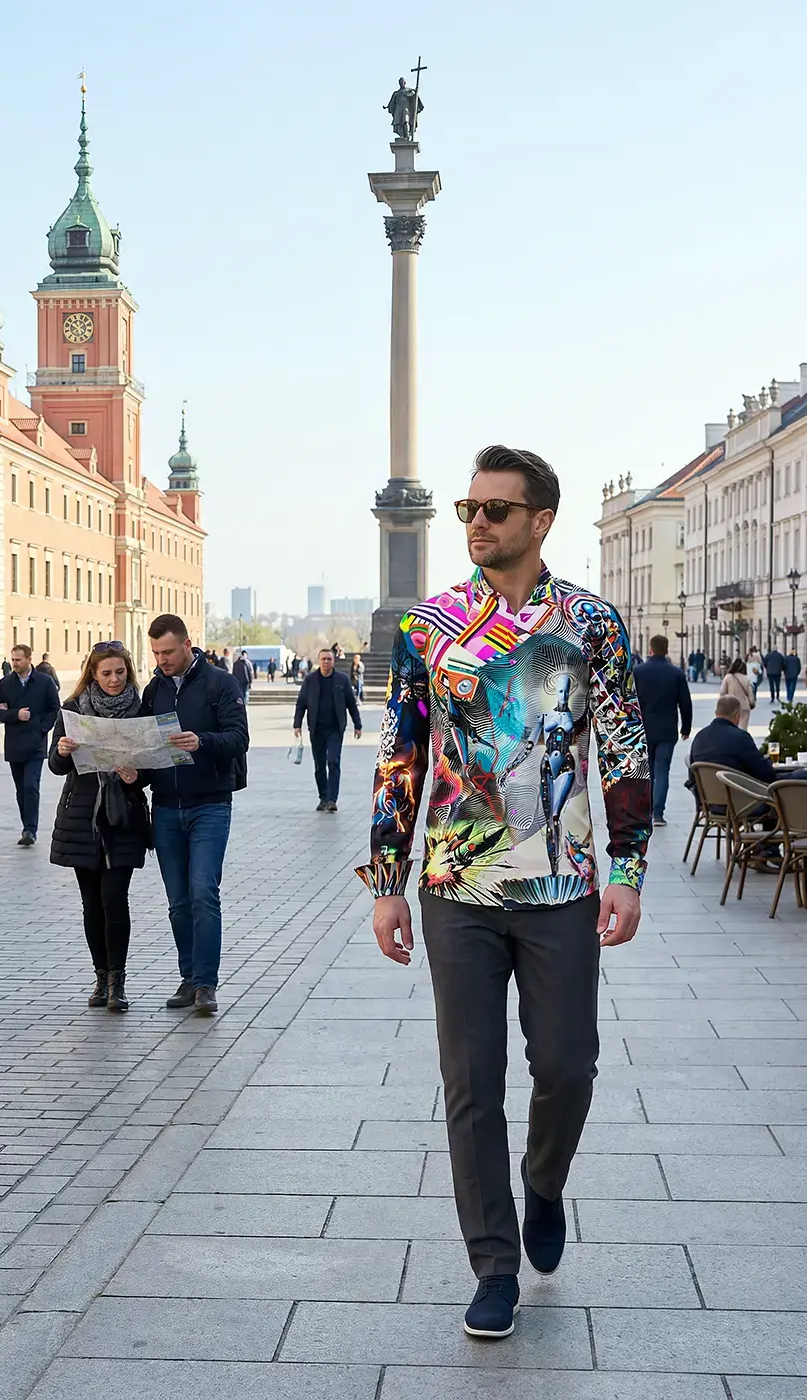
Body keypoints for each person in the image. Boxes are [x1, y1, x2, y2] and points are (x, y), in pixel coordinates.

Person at [360, 444, 650, 1341]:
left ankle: (546, 1182)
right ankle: (493, 1264)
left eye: (495, 509)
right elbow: (402, 755)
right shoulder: (431, 629)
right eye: (468, 509)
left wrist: (628, 870)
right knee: (470, 1082)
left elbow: (627, 752)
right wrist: (387, 881)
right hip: (457, 886)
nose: (477, 524)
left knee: (567, 1068)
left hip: (561, 887)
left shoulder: (591, 624)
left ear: (540, 521)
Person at [141, 614, 249, 1017]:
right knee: (178, 901)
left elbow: (240, 739)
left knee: (203, 890)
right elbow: (145, 743)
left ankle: (206, 984)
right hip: (166, 805)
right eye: (155, 653)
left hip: (210, 804)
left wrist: (201, 742)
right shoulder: (154, 690)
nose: (161, 659)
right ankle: (188, 977)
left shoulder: (221, 683)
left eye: (167, 652)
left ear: (188, 645)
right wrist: (135, 769)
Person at [49, 642, 152, 1013]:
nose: (114, 679)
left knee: (114, 900)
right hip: (82, 817)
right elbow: (56, 766)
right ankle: (99, 976)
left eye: (120, 672)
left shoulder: (141, 710)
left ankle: (117, 981)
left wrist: (136, 775)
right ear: (93, 673)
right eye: (106, 673)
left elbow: (152, 767)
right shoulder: (74, 709)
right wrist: (61, 750)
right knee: (91, 904)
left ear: (128, 672)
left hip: (122, 817)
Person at [0, 644, 60, 846]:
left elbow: (54, 709)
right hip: (14, 743)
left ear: (29, 659)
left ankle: (31, 829)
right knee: (21, 789)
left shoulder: (45, 682)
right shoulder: (5, 683)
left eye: (18, 660)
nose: (14, 663)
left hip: (36, 743)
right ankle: (26, 826)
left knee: (31, 786)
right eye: (12, 660)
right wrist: (14, 714)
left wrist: (41, 728)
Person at [632, 635, 692, 827]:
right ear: (666, 650)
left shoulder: (638, 672)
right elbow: (685, 703)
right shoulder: (675, 673)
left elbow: (630, 701)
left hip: (644, 729)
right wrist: (686, 727)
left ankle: (646, 810)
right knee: (663, 771)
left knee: (646, 771)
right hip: (667, 730)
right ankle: (658, 813)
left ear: (651, 649)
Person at [294, 648, 362, 812]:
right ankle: (323, 797)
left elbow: (351, 704)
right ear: (319, 661)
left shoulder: (342, 680)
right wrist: (297, 724)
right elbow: (301, 703)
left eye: (329, 659)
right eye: (323, 659)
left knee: (333, 761)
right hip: (316, 729)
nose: (326, 662)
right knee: (319, 766)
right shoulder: (310, 680)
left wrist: (357, 724)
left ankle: (332, 799)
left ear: (333, 661)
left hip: (335, 729)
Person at [689, 693, 775, 783]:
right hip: (739, 793)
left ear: (716, 713)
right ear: (737, 715)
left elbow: (692, 775)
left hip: (706, 794)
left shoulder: (699, 736)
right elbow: (766, 773)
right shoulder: (740, 738)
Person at [719, 657, 755, 730]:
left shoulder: (728, 677)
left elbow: (722, 692)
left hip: (730, 706)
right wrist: (751, 703)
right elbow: (751, 695)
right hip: (744, 706)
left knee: (730, 727)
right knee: (743, 728)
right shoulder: (746, 678)